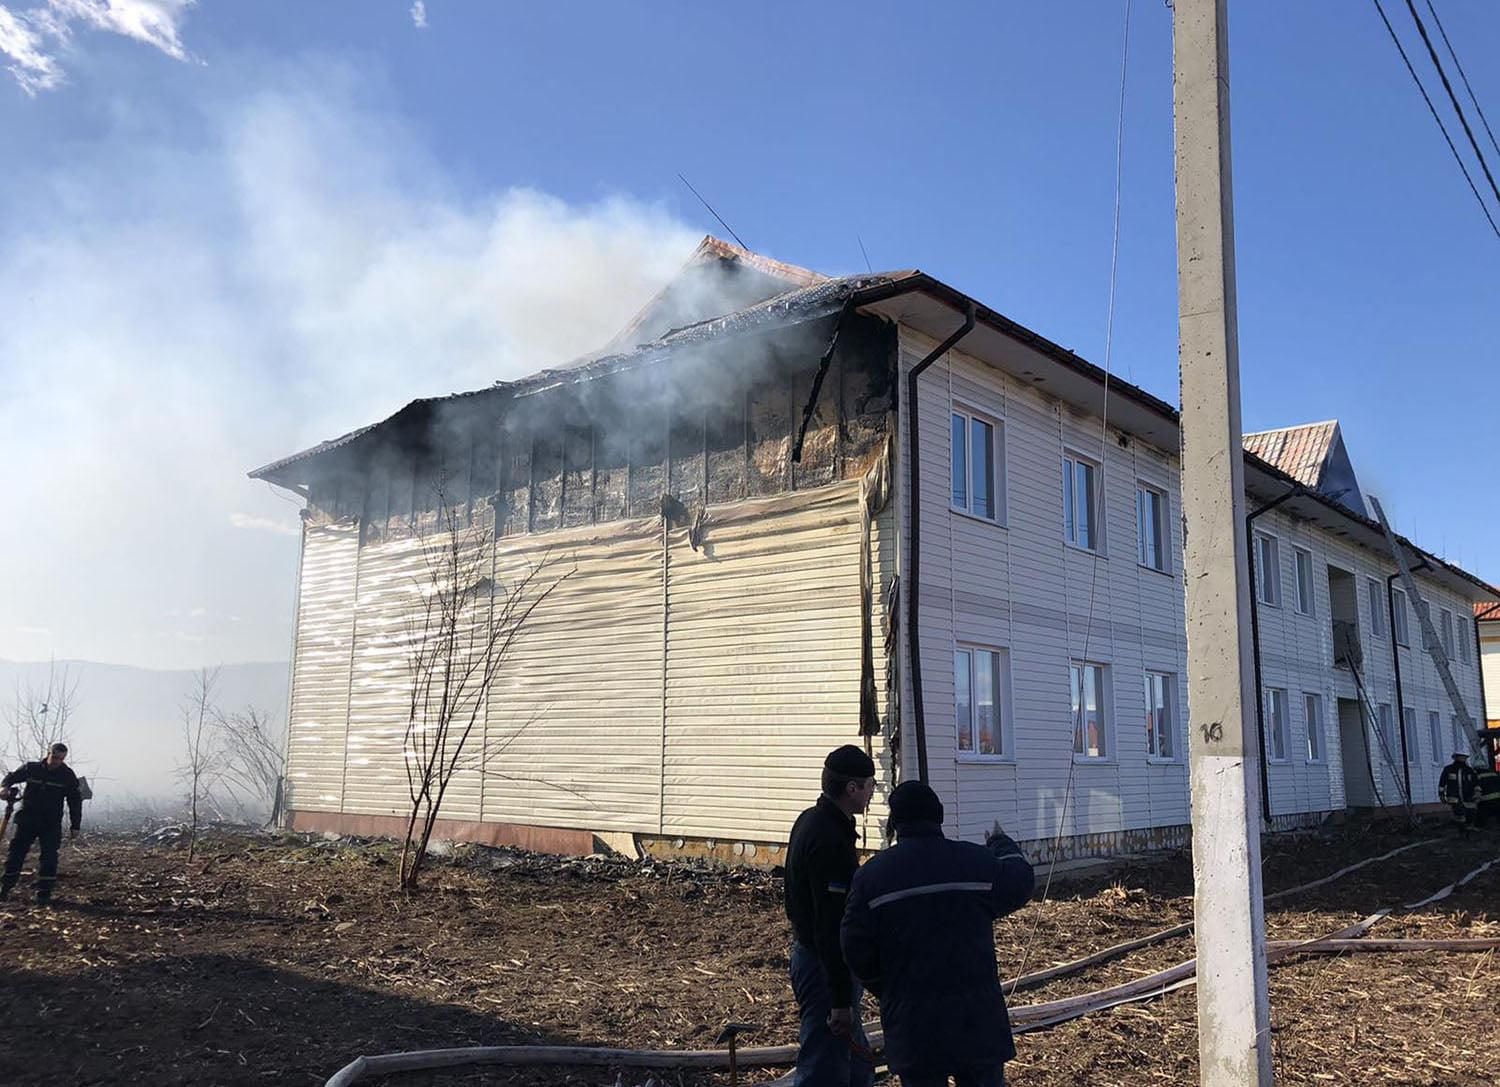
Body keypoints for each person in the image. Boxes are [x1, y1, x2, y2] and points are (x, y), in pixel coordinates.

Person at [841, 780, 1035, 1087]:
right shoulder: (975, 863)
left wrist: (887, 987)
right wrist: (1001, 843)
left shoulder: (872, 877)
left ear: (895, 822)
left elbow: (853, 946)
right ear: (939, 816)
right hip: (976, 1020)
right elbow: (1021, 882)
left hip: (913, 1024)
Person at [783, 744, 877, 1087]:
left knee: (852, 1057)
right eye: (870, 785)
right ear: (852, 789)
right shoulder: (830, 840)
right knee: (823, 1063)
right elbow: (830, 923)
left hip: (811, 955)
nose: (871, 793)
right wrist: (839, 1000)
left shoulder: (811, 820)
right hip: (824, 965)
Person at [1, 742, 83, 905]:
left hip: (50, 823)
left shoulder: (67, 775)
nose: (57, 761)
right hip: (27, 819)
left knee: (49, 857)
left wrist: (75, 825)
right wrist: (4, 787)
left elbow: (75, 801)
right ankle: (5, 888)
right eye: (54, 757)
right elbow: (12, 777)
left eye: (61, 759)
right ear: (48, 753)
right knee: (16, 853)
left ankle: (44, 894)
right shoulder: (32, 768)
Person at [1438, 750, 1479, 834]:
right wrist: (1441, 795)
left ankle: (1468, 832)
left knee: (1470, 814)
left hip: (1468, 797)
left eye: (1464, 757)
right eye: (1460, 757)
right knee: (1460, 814)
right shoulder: (1448, 769)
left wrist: (1477, 793)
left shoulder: (1470, 771)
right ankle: (1462, 832)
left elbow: (1476, 783)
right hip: (1454, 797)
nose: (1462, 759)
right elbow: (1442, 783)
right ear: (1455, 757)